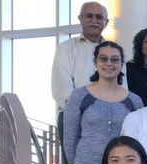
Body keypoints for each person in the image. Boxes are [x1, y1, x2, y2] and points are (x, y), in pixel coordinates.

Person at [64, 41, 143, 164]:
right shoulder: (79, 96)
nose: (109, 63)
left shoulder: (134, 101)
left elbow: (139, 141)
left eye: (115, 59)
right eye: (103, 59)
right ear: (95, 62)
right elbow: (70, 137)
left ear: (121, 64)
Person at [52, 2, 125, 155]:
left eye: (99, 17)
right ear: (80, 19)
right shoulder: (65, 48)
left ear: (105, 22)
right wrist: (86, 112)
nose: (94, 20)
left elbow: (122, 86)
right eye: (89, 16)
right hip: (74, 116)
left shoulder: (115, 51)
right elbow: (63, 88)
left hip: (111, 117)